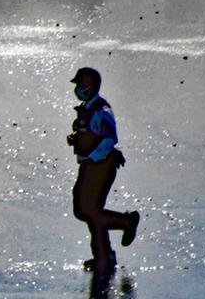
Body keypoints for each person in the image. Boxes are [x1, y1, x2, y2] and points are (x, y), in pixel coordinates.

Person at [66, 67, 140, 286]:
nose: (78, 89)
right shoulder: (87, 109)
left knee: (90, 211)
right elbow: (90, 133)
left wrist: (93, 157)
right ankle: (105, 255)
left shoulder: (102, 110)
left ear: (91, 87)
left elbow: (110, 139)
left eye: (81, 85)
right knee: (84, 210)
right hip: (91, 165)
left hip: (101, 165)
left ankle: (112, 244)